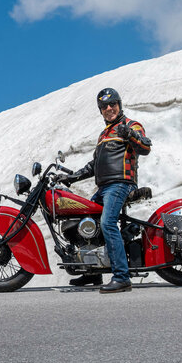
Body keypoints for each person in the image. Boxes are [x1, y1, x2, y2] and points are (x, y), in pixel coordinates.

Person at [60, 88, 151, 293]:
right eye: (104, 106)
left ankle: (122, 277)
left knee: (107, 223)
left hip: (121, 184)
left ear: (119, 105)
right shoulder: (104, 134)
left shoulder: (131, 125)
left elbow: (145, 147)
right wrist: (71, 177)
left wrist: (130, 134)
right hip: (103, 187)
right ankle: (93, 272)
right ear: (100, 110)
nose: (109, 108)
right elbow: (94, 165)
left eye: (112, 104)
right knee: (85, 221)